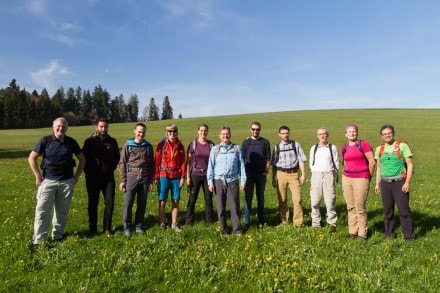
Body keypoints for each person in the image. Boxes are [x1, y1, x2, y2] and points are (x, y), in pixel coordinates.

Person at [28, 117, 86, 249]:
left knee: (62, 211)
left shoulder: (71, 142)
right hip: (48, 181)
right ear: (53, 127)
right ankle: (38, 240)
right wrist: (38, 177)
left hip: (66, 181)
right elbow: (32, 158)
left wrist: (76, 177)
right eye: (58, 126)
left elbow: (82, 159)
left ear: (67, 128)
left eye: (63, 126)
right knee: (42, 210)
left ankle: (58, 236)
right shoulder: (45, 140)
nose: (61, 128)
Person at [374, 125, 415, 240]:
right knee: (388, 211)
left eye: (389, 133)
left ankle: (409, 237)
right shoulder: (379, 149)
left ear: (393, 133)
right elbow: (379, 168)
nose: (387, 135)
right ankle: (389, 235)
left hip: (399, 182)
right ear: (382, 136)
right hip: (385, 183)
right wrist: (377, 184)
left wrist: (407, 182)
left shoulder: (402, 146)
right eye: (384, 134)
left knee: (404, 210)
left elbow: (410, 165)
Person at [82, 118, 120, 237]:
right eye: (101, 127)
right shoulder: (89, 141)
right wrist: (88, 171)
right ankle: (92, 228)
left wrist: (110, 169)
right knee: (93, 203)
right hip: (92, 177)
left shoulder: (112, 141)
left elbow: (116, 158)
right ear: (96, 127)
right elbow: (83, 158)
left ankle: (107, 228)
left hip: (108, 178)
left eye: (105, 127)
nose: (103, 129)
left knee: (109, 203)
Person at [207, 126, 246, 236]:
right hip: (218, 181)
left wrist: (243, 181)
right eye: (223, 134)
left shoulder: (236, 149)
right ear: (220, 136)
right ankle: (223, 230)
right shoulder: (215, 149)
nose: (225, 136)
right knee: (220, 207)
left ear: (230, 134)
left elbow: (241, 166)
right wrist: (210, 182)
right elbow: (210, 166)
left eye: (227, 134)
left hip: (232, 180)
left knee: (234, 206)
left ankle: (237, 229)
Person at [119, 123, 154, 237]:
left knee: (142, 203)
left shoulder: (148, 146)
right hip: (131, 177)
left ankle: (138, 225)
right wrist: (123, 180)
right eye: (139, 131)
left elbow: (151, 165)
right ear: (134, 131)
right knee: (128, 203)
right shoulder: (128, 145)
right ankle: (127, 227)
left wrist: (150, 181)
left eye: (143, 132)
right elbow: (123, 163)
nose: (141, 134)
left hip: (144, 177)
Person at [341, 124, 375, 241]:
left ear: (357, 133)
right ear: (346, 134)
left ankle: (362, 234)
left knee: (360, 207)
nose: (352, 134)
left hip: (361, 178)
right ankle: (352, 232)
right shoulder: (344, 147)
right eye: (349, 132)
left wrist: (368, 177)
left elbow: (372, 162)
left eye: (354, 131)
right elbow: (345, 162)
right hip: (347, 178)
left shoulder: (363, 144)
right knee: (350, 207)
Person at [271, 126, 307, 227]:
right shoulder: (277, 147)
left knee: (298, 199)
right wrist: (273, 178)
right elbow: (274, 164)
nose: (285, 135)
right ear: (279, 135)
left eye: (287, 133)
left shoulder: (295, 144)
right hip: (280, 174)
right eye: (283, 133)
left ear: (289, 133)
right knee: (282, 199)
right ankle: (284, 221)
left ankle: (298, 223)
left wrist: (303, 175)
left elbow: (301, 160)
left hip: (293, 174)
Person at [155, 124, 186, 232]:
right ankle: (162, 223)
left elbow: (183, 163)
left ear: (177, 132)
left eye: (174, 131)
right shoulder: (161, 145)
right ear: (167, 133)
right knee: (162, 201)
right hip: (163, 176)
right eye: (170, 132)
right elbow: (157, 162)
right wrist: (156, 177)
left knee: (175, 200)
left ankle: (174, 223)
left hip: (176, 177)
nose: (172, 134)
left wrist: (183, 177)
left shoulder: (180, 146)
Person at [241, 122, 271, 228]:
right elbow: (242, 159)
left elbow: (268, 158)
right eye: (253, 129)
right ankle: (247, 222)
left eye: (257, 129)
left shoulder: (265, 142)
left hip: (261, 175)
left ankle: (261, 220)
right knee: (248, 198)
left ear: (260, 130)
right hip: (249, 175)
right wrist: (243, 174)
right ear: (250, 130)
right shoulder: (246, 143)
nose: (255, 131)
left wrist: (266, 171)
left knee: (260, 197)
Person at [309, 127, 339, 232]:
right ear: (317, 136)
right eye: (320, 134)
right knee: (315, 201)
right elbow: (311, 163)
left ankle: (332, 223)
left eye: (324, 134)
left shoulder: (332, 148)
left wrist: (332, 175)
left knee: (330, 200)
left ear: (327, 135)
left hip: (329, 174)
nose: (322, 136)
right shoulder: (314, 148)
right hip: (316, 175)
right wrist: (316, 172)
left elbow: (336, 163)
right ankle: (316, 223)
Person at [185, 123, 215, 226]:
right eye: (201, 130)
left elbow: (214, 161)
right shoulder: (193, 144)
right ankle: (189, 221)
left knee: (208, 199)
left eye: (205, 130)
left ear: (207, 132)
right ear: (198, 131)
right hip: (195, 174)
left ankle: (210, 221)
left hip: (208, 175)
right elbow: (188, 162)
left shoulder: (211, 145)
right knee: (192, 198)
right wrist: (188, 176)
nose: (203, 132)